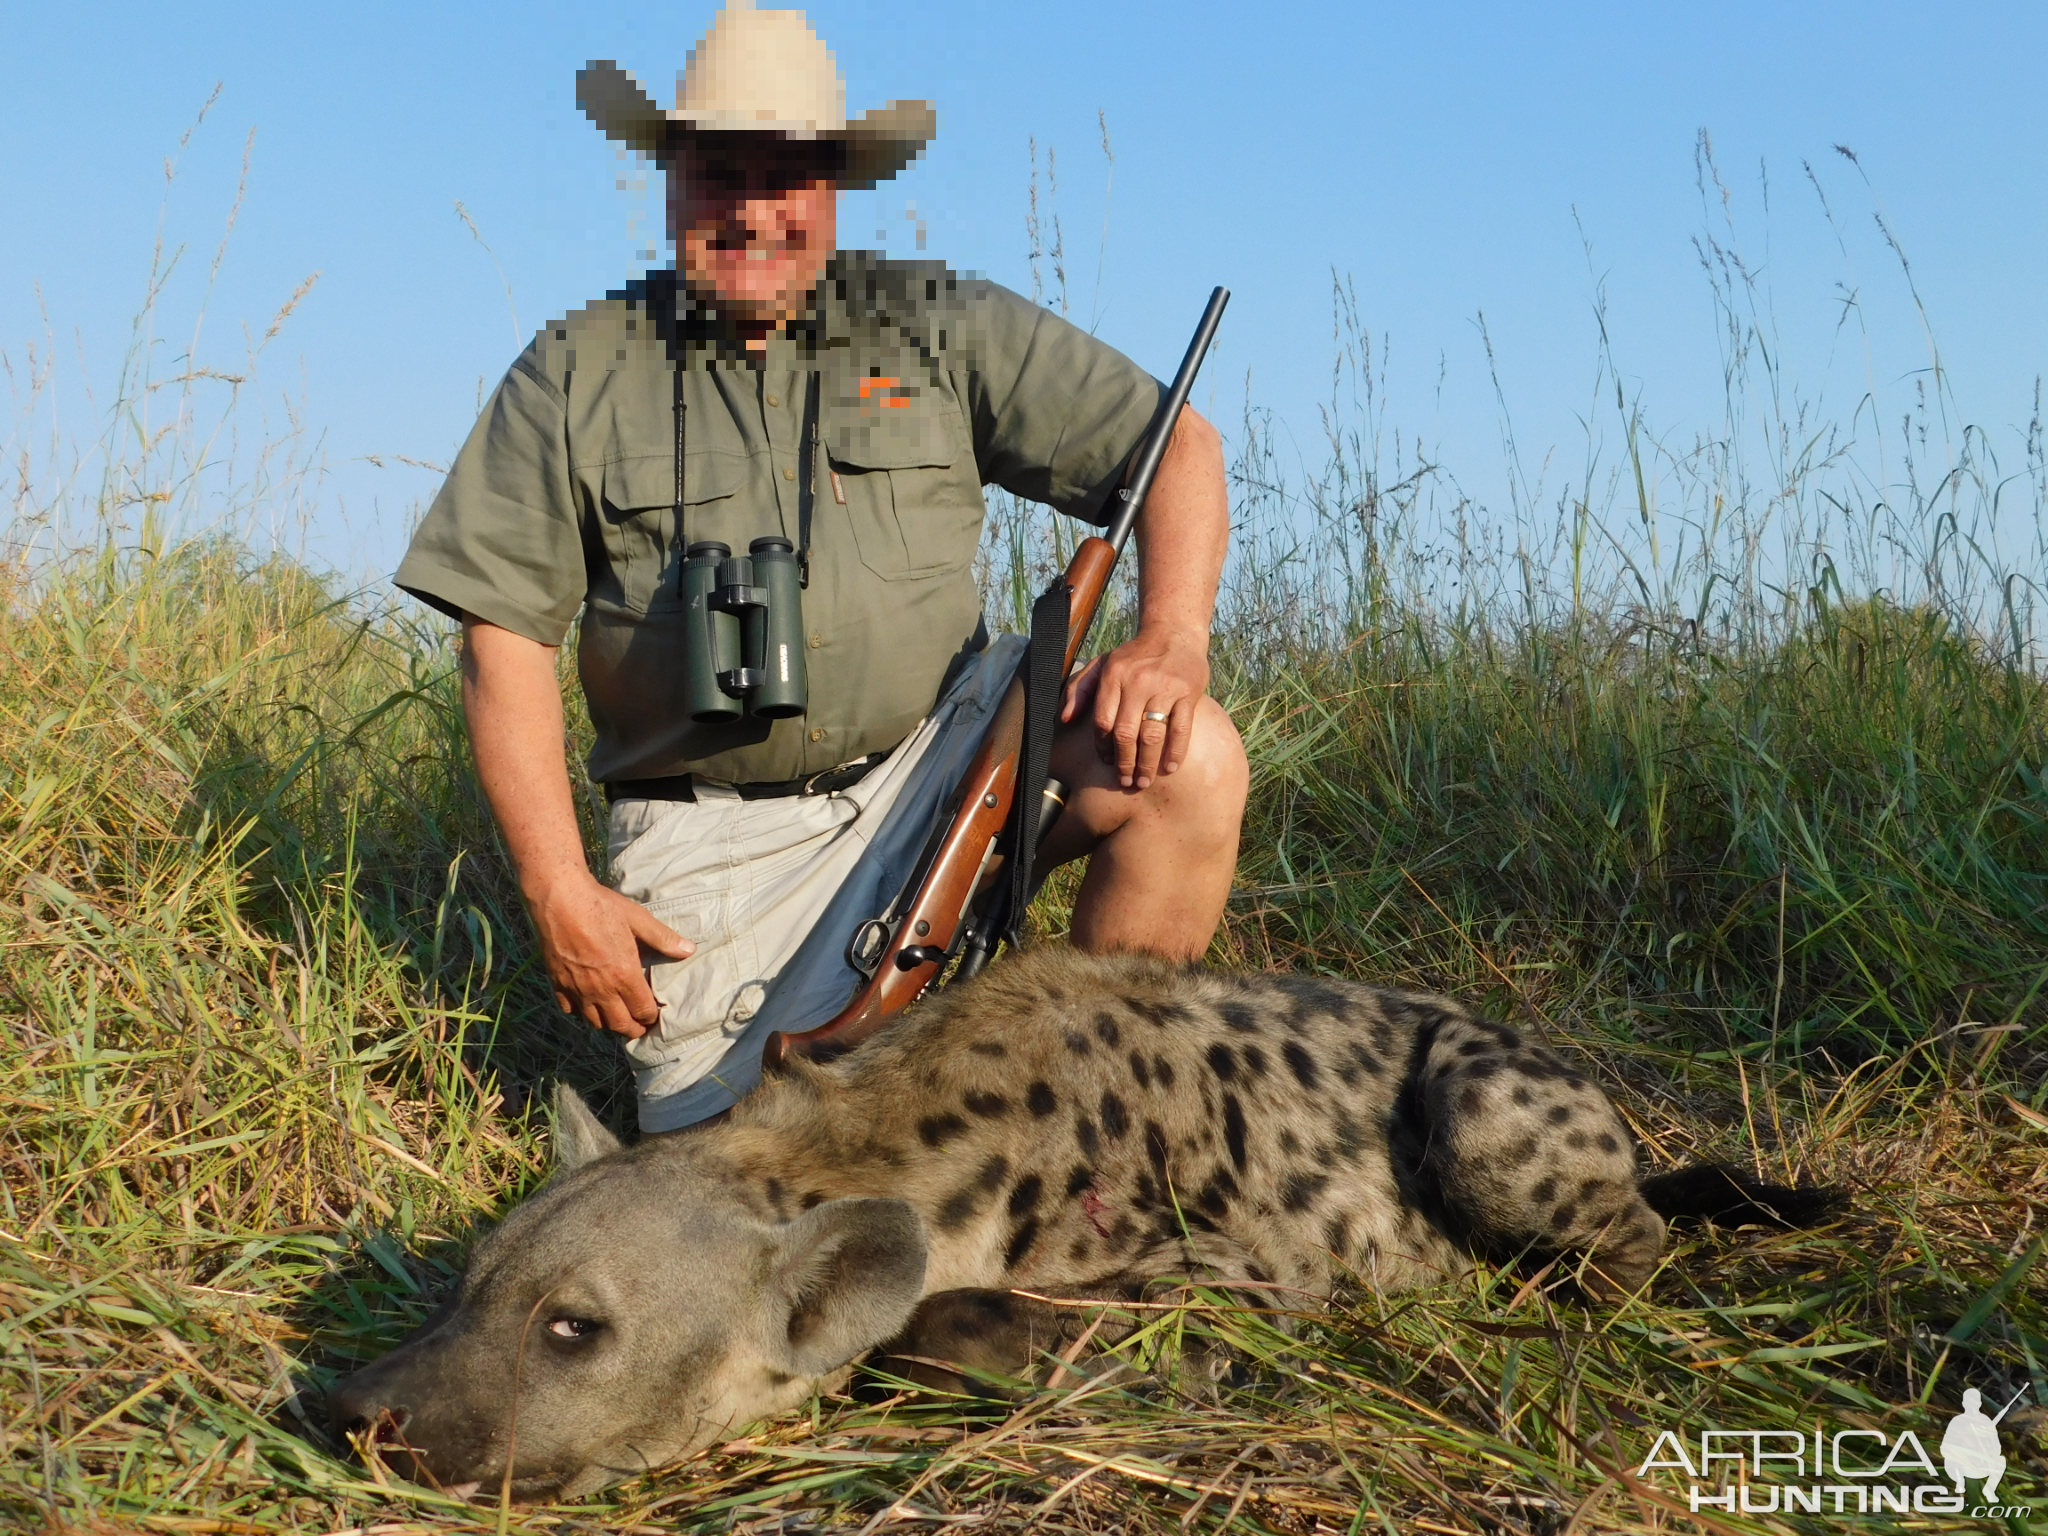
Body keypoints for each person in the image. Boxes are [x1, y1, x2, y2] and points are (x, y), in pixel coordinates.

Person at [395, 1, 1248, 1132]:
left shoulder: (934, 323)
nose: (752, 210)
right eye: (716, 174)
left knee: (1186, 757)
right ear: (666, 181)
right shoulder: (572, 368)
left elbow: (1178, 446)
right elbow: (499, 637)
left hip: (942, 768)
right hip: (706, 846)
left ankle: (1111, 1130)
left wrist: (1168, 638)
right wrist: (561, 891)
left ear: (835, 187)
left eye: (785, 174)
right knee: (745, 1182)